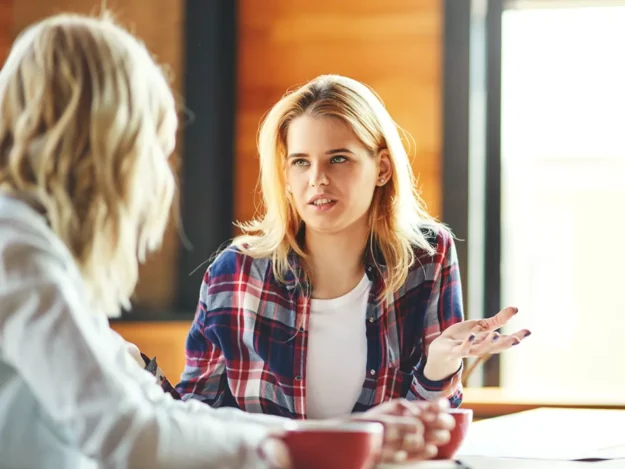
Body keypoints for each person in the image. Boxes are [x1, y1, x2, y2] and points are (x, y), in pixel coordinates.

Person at [0, 14, 455, 469]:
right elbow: (130, 433)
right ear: (99, 143)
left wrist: (338, 435)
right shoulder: (16, 254)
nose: (158, 175)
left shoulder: (36, 252)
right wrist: (290, 449)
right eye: (150, 147)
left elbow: (158, 412)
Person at [175, 74, 531, 420]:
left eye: (338, 158)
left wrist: (439, 365)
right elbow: (193, 417)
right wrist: (138, 375)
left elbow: (428, 427)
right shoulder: (235, 272)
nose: (317, 179)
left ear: (382, 169)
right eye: (301, 162)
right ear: (285, 177)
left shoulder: (427, 255)